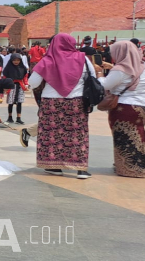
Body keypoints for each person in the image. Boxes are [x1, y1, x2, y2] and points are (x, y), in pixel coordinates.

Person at [28, 33, 95, 179]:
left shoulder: (47, 60)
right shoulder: (82, 58)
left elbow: (33, 82)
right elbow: (93, 77)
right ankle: (81, 169)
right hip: (76, 101)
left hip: (51, 102)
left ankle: (55, 167)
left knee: (52, 134)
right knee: (77, 134)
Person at [96, 41, 145, 178]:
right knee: (139, 135)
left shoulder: (121, 70)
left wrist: (99, 73)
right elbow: (129, 77)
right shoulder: (144, 66)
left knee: (126, 138)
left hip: (126, 108)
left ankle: (132, 169)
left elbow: (106, 85)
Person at [3, 53, 28, 124]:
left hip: (20, 86)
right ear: (11, 60)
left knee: (19, 102)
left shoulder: (23, 68)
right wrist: (6, 85)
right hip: (11, 86)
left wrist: (26, 83)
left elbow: (25, 76)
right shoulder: (8, 68)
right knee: (10, 102)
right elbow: (5, 77)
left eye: (18, 60)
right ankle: (10, 117)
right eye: (14, 60)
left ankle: (18, 118)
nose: (16, 62)